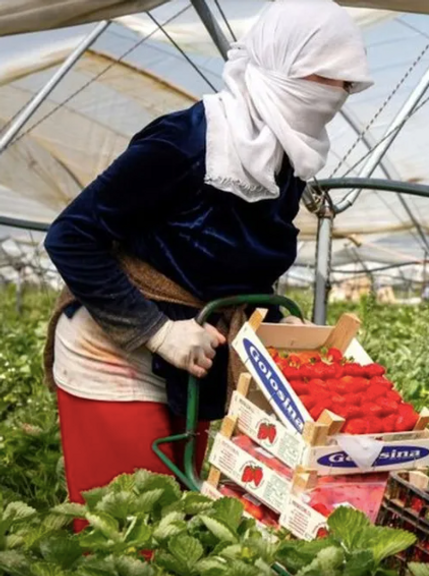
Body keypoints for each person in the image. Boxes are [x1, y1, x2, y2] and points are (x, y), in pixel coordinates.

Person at [42, 0, 372, 516]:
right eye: (325, 77)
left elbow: (241, 262)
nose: (336, 95)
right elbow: (70, 237)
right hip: (116, 350)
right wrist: (156, 331)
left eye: (346, 85)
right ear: (280, 61)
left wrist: (283, 328)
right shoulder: (187, 141)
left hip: (197, 358)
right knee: (131, 526)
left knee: (184, 520)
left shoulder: (285, 158)